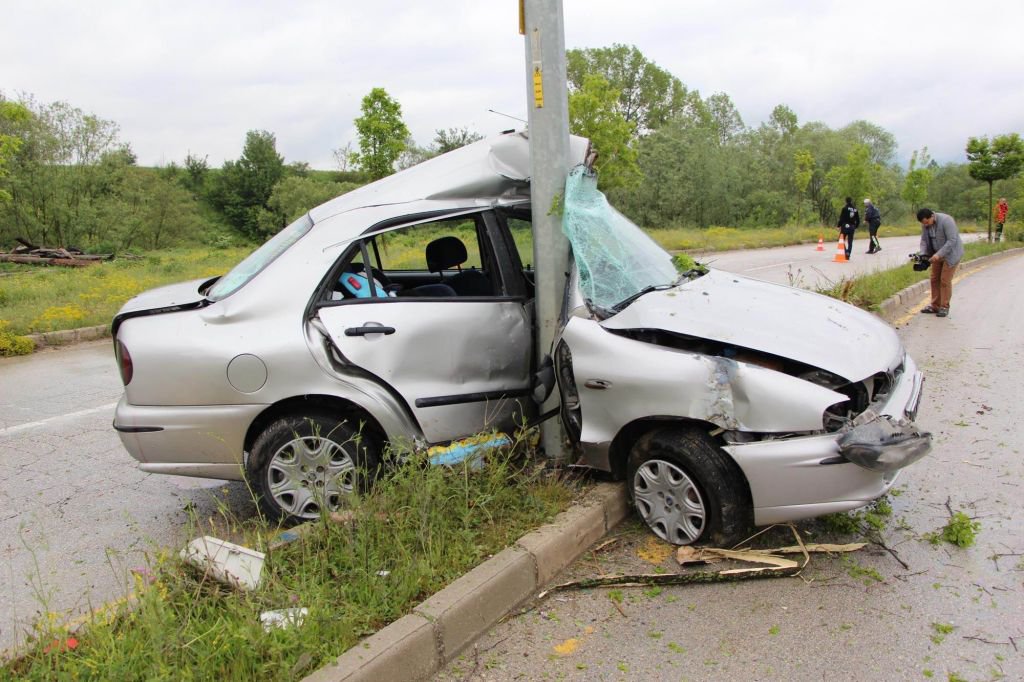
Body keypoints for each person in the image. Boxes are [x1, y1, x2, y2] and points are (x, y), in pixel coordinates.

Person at [916, 208, 964, 318]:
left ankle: (944, 307)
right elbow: (924, 241)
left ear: (932, 216)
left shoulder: (946, 220)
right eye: (923, 223)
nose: (925, 225)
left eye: (927, 222)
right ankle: (935, 305)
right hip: (936, 254)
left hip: (951, 254)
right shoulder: (925, 224)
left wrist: (938, 255)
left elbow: (952, 240)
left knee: (944, 280)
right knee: (934, 279)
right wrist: (923, 254)